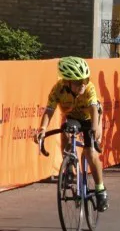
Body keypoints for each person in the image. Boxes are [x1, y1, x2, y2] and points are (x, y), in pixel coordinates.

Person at [35, 57, 109, 212]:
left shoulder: (89, 88)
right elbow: (49, 110)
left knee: (90, 152)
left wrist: (95, 128)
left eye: (85, 79)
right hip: (72, 117)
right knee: (66, 133)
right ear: (67, 82)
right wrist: (42, 128)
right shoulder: (58, 89)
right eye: (77, 82)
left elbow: (94, 110)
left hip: (90, 117)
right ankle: (70, 167)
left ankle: (100, 190)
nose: (82, 84)